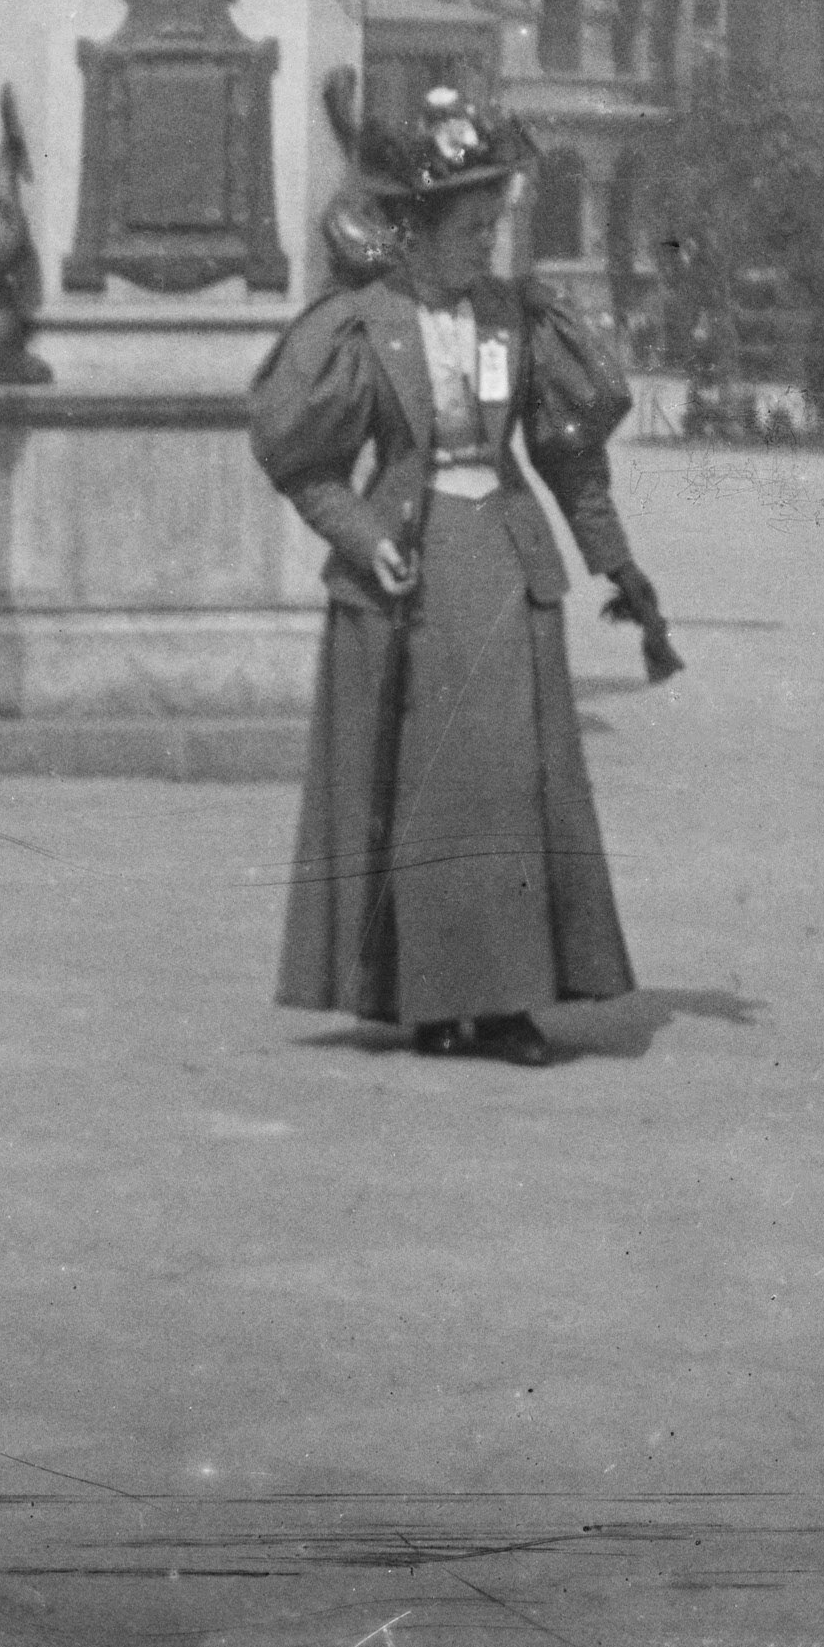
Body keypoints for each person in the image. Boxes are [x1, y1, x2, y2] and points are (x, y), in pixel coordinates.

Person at [251, 85, 676, 1062]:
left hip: (506, 563)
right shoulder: (360, 322)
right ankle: (435, 1002)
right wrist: (360, 533)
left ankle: (511, 999)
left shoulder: (516, 319)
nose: (489, 243)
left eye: (494, 224)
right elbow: (304, 462)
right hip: (409, 575)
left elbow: (569, 455)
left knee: (510, 787)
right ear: (416, 230)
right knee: (430, 790)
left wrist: (616, 562)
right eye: (471, 227)